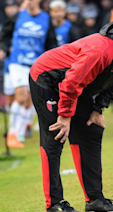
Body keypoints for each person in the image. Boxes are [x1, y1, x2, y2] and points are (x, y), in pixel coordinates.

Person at [29, 15, 113, 212]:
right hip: (48, 78)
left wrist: (98, 108)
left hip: (78, 86)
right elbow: (70, 83)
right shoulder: (102, 50)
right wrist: (65, 116)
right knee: (56, 136)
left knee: (91, 131)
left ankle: (94, 200)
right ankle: (54, 205)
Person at [0, 0, 58, 147]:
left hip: (36, 64)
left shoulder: (46, 19)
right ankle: (12, 134)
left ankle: (18, 133)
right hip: (17, 62)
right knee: (21, 97)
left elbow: (51, 42)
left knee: (29, 101)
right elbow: (5, 35)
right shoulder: (18, 16)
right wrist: (3, 49)